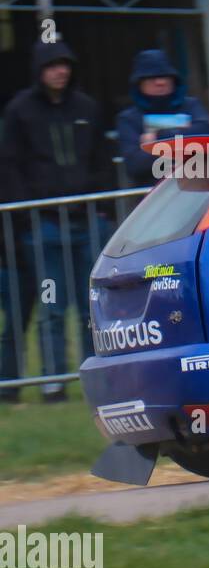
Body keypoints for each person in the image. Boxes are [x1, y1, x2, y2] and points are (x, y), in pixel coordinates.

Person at [0, 39, 115, 403]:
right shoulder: (20, 111)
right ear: (39, 70)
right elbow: (11, 166)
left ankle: (93, 379)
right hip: (45, 229)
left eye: (65, 64)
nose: (60, 71)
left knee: (90, 307)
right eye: (52, 65)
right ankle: (54, 383)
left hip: (88, 225)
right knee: (51, 306)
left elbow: (102, 157)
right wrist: (27, 216)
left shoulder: (87, 108)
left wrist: (103, 207)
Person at [115, 49, 209, 184]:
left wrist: (158, 139)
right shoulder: (128, 119)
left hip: (197, 188)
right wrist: (186, 144)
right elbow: (136, 164)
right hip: (152, 194)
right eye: (152, 78)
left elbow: (205, 135)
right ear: (139, 83)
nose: (160, 82)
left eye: (165, 76)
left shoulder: (192, 106)